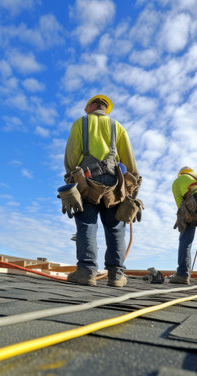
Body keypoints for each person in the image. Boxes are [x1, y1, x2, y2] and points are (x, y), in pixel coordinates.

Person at [62, 95, 140, 287]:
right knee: (115, 227)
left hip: (86, 180)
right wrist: (132, 187)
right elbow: (129, 161)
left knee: (87, 223)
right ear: (106, 108)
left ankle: (86, 272)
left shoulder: (80, 124)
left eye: (86, 106)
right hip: (114, 181)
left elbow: (71, 156)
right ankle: (116, 276)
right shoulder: (118, 127)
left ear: (91, 106)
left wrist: (71, 177)